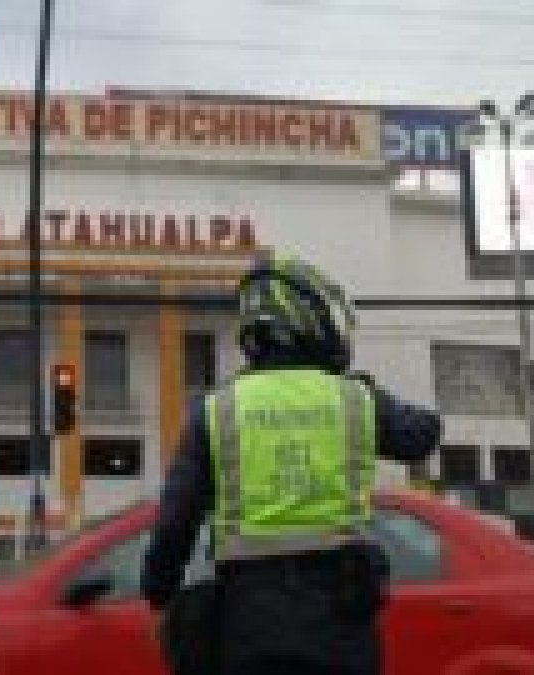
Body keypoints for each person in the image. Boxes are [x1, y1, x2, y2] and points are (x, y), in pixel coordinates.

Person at [141, 254, 442, 675]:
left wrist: (159, 591)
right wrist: (367, 391)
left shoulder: (217, 409)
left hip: (248, 623)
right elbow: (423, 434)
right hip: (340, 622)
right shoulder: (353, 399)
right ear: (309, 319)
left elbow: (176, 519)